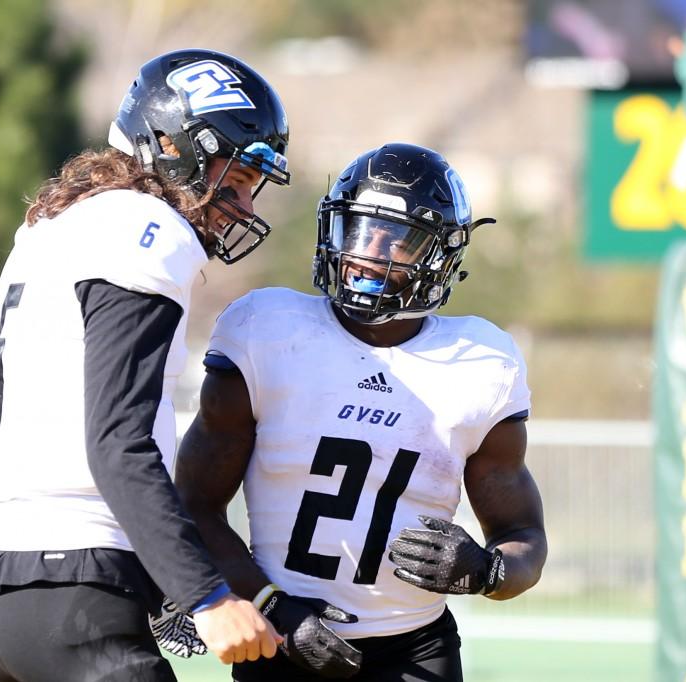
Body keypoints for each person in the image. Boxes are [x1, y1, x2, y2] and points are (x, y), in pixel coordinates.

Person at [0, 49, 292, 682]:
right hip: (75, 586)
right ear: (171, 142)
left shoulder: (60, 224)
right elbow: (116, 440)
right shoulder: (145, 226)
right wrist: (207, 595)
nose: (246, 205)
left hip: (2, 584)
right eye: (241, 176)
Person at [175, 142, 548, 681]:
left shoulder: (481, 362)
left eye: (395, 238)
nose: (368, 251)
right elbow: (194, 506)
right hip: (282, 633)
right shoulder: (267, 330)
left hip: (414, 649)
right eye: (358, 228)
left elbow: (524, 536)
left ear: (437, 254)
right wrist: (270, 602)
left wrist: (489, 570)